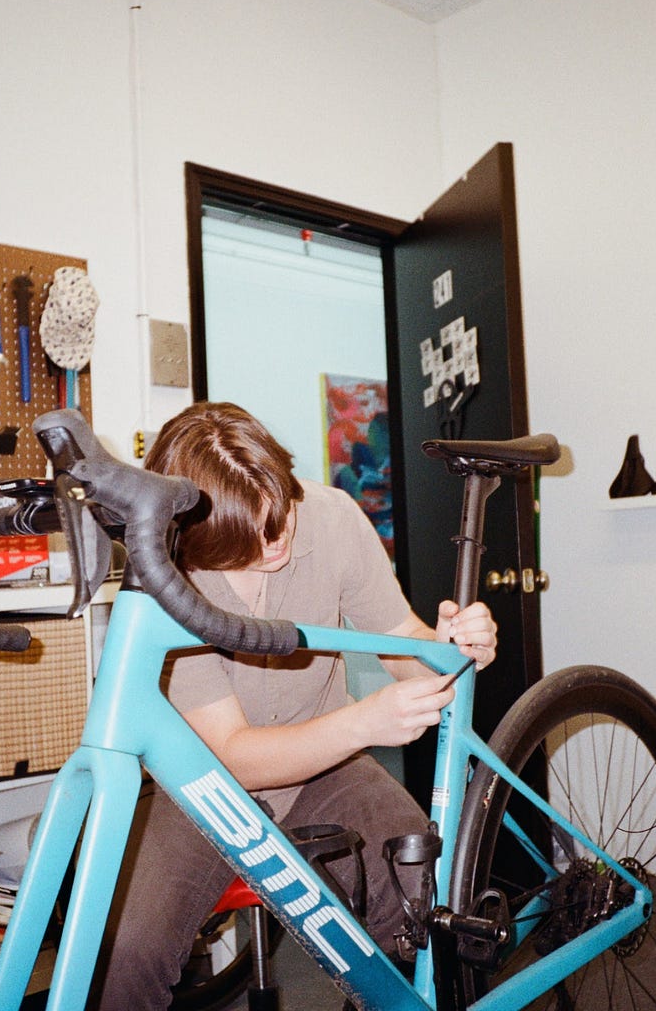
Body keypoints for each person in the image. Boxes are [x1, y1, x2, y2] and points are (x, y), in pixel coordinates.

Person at [97, 401, 497, 1010]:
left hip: (327, 766)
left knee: (428, 898)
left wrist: (449, 651)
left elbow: (401, 644)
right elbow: (232, 756)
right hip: (202, 785)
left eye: (280, 508)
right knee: (126, 958)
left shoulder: (331, 517)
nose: (280, 536)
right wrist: (364, 722)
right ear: (201, 540)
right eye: (255, 533)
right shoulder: (167, 576)